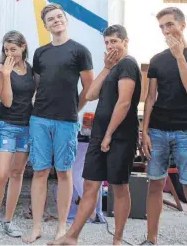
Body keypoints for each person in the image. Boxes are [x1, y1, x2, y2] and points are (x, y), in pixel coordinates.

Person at [49, 24, 141, 245]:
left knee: (119, 186)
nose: (110, 46)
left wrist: (109, 134)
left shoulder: (129, 65)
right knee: (91, 184)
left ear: (126, 42)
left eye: (115, 42)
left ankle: (117, 240)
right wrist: (107, 68)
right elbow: (90, 94)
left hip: (119, 136)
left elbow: (124, 102)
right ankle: (71, 237)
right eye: (107, 42)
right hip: (100, 134)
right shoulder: (113, 67)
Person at [23, 3, 94, 243]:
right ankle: (36, 227)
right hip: (39, 118)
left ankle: (62, 227)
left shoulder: (80, 51)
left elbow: (89, 88)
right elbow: (38, 85)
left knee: (64, 172)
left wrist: (75, 109)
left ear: (65, 20)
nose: (56, 21)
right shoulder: (40, 53)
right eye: (51, 19)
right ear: (45, 26)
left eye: (59, 17)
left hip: (66, 121)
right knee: (40, 172)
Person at [141, 7, 187, 245]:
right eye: (161, 26)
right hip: (158, 130)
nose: (165, 30)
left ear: (182, 25)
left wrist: (179, 55)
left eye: (169, 24)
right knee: (155, 185)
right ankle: (151, 239)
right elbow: (150, 98)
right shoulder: (157, 60)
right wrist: (145, 132)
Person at [0, 31, 34, 241]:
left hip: (26, 126)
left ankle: (8, 219)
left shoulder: (31, 69)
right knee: (1, 174)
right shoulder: (0, 68)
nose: (9, 54)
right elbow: (6, 101)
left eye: (13, 49)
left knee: (17, 174)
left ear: (23, 47)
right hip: (6, 125)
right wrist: (6, 75)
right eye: (6, 50)